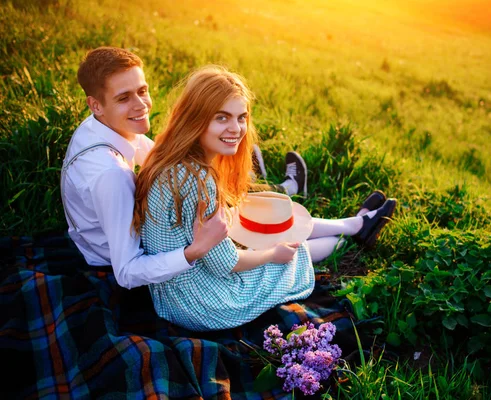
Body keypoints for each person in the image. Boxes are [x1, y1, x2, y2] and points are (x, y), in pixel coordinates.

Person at [132, 66, 396, 331]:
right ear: (195, 118)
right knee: (294, 252)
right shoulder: (196, 180)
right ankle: (350, 236)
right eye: (222, 118)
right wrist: (271, 255)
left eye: (241, 117)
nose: (236, 128)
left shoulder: (168, 157)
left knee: (266, 221)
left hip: (171, 295)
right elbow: (225, 264)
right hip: (202, 304)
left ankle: (355, 224)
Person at [60, 46, 306, 289]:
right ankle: (281, 190)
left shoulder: (102, 126)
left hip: (119, 235)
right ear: (96, 105)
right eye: (124, 97)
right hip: (124, 261)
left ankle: (268, 184)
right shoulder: (111, 175)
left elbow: (162, 157)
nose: (141, 105)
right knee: (220, 212)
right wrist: (194, 251)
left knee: (211, 195)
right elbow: (127, 272)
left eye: (142, 91)